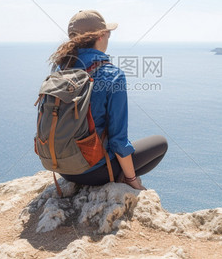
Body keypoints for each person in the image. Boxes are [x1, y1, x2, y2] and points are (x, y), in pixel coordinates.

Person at [49, 10, 168, 190]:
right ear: (101, 36)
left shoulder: (59, 68)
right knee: (160, 143)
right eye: (108, 33)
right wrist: (132, 180)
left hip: (61, 167)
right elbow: (118, 140)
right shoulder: (112, 75)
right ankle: (122, 178)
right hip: (92, 172)